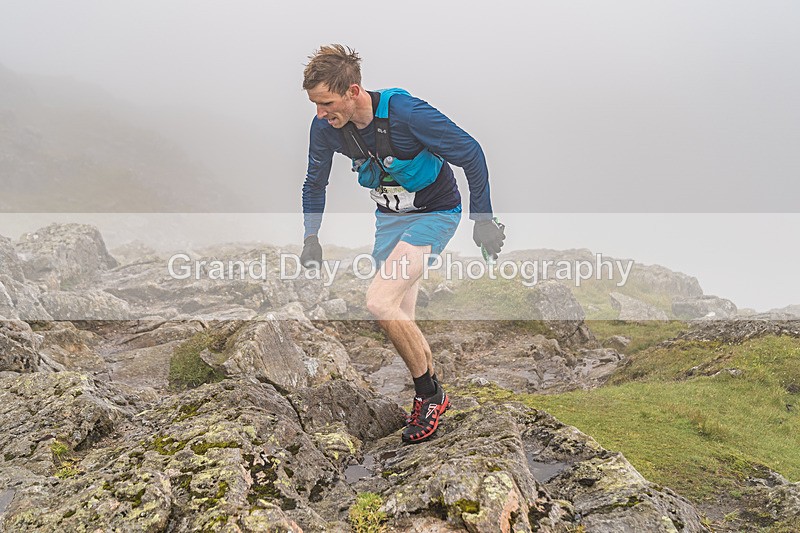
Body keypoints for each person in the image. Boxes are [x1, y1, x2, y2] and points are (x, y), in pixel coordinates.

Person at [300, 44, 505, 443]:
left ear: (353, 91)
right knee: (399, 314)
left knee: (378, 302)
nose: (320, 115)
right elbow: (314, 182)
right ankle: (429, 388)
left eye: (326, 103)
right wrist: (311, 236)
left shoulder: (407, 114)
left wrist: (482, 219)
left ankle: (430, 395)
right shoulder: (325, 129)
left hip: (434, 213)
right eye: (314, 105)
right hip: (389, 220)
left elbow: (471, 153)